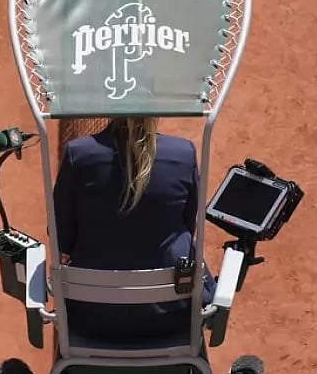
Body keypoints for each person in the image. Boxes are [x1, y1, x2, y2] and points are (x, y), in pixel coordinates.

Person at [52, 117, 216, 344]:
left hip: (90, 321)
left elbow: (61, 238)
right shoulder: (183, 153)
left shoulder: (78, 154)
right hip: (171, 321)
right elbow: (188, 225)